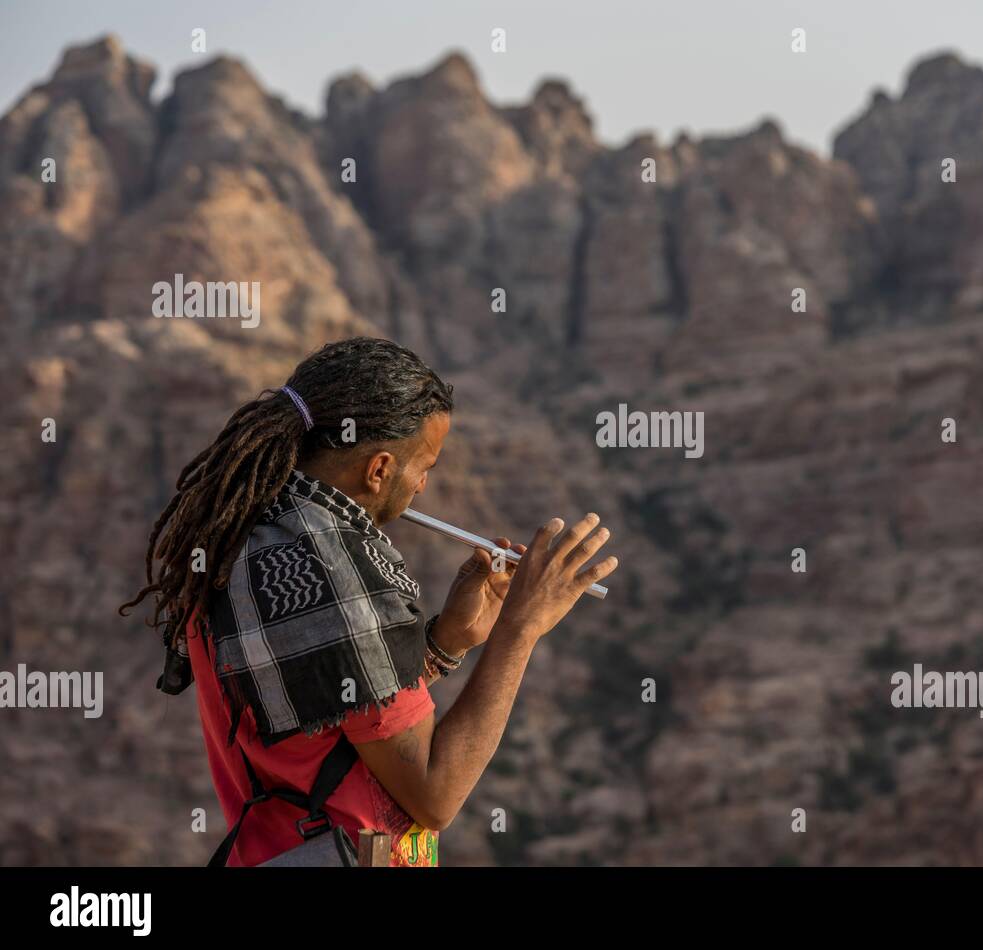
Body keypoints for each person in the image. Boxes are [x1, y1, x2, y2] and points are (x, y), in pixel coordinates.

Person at [119, 336, 618, 866]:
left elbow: (340, 706)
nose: (423, 485)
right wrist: (522, 626)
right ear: (378, 469)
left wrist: (445, 642)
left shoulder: (253, 535)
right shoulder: (329, 562)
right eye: (424, 466)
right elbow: (435, 794)